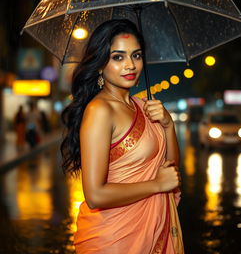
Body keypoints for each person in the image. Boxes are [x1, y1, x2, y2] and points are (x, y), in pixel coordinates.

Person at [61, 19, 184, 254]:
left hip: (153, 229)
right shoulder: (100, 111)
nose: (131, 65)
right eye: (118, 57)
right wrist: (157, 184)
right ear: (100, 64)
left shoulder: (142, 106)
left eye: (136, 56)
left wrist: (168, 125)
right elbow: (95, 195)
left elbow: (171, 171)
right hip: (115, 239)